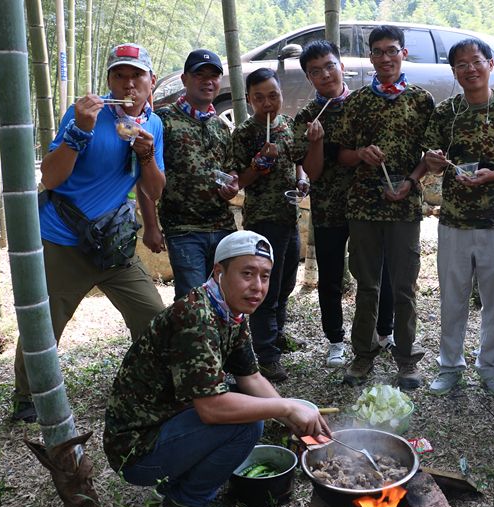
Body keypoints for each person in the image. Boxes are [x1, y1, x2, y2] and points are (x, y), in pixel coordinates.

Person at [104, 230, 330, 507]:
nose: (258, 286)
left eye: (264, 276)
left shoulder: (228, 310)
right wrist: (287, 408)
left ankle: (179, 480)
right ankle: (185, 503)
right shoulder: (196, 318)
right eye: (247, 274)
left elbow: (250, 378)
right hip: (136, 452)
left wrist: (292, 416)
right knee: (247, 422)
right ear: (219, 272)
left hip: (165, 424)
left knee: (246, 402)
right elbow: (212, 409)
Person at [12, 43, 166, 423]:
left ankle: (149, 384)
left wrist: (145, 153)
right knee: (45, 324)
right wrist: (80, 129)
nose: (128, 84)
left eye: (136, 75)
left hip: (113, 243)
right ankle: (26, 396)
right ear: (109, 81)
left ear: (152, 81)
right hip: (63, 237)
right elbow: (50, 177)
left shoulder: (154, 124)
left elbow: (154, 190)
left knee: (153, 316)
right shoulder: (85, 114)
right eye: (119, 75)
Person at [423, 38, 494, 398]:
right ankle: (449, 367)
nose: (470, 69)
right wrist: (435, 159)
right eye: (461, 65)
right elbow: (428, 156)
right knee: (452, 296)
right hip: (454, 219)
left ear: (490, 64)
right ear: (454, 72)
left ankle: (492, 368)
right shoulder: (446, 112)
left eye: (476, 62)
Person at [331, 25, 434, 389]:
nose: (385, 57)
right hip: (363, 207)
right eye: (378, 51)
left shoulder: (421, 100)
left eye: (392, 50)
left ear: (403, 54)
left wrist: (411, 181)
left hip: (404, 207)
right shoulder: (357, 102)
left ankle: (406, 359)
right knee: (366, 285)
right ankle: (363, 354)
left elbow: (430, 155)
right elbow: (341, 154)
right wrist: (360, 154)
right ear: (371, 57)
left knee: (404, 286)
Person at [292, 40, 396, 367]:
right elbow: (313, 171)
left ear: (342, 65)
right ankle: (335, 340)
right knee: (332, 275)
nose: (325, 75)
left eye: (329, 66)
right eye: (315, 71)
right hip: (328, 207)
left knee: (378, 273)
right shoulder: (308, 117)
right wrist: (316, 142)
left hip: (368, 205)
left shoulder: (367, 103)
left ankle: (384, 332)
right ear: (309, 78)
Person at [230, 68, 309, 383]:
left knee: (285, 285)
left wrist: (302, 180)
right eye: (259, 97)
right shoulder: (246, 134)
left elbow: (298, 160)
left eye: (272, 95)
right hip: (263, 222)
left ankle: (276, 336)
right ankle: (267, 355)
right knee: (264, 291)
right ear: (249, 100)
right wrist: (259, 162)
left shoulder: (288, 125)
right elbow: (238, 182)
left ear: (280, 95)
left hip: (290, 219)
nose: (267, 103)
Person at [142, 49, 240, 301]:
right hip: (183, 230)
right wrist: (151, 226)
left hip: (222, 228)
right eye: (200, 75)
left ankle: (217, 342)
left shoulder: (220, 126)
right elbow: (143, 174)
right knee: (193, 302)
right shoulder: (163, 119)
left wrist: (232, 185)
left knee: (223, 300)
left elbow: (230, 170)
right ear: (185, 80)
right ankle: (189, 342)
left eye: (214, 76)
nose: (208, 81)